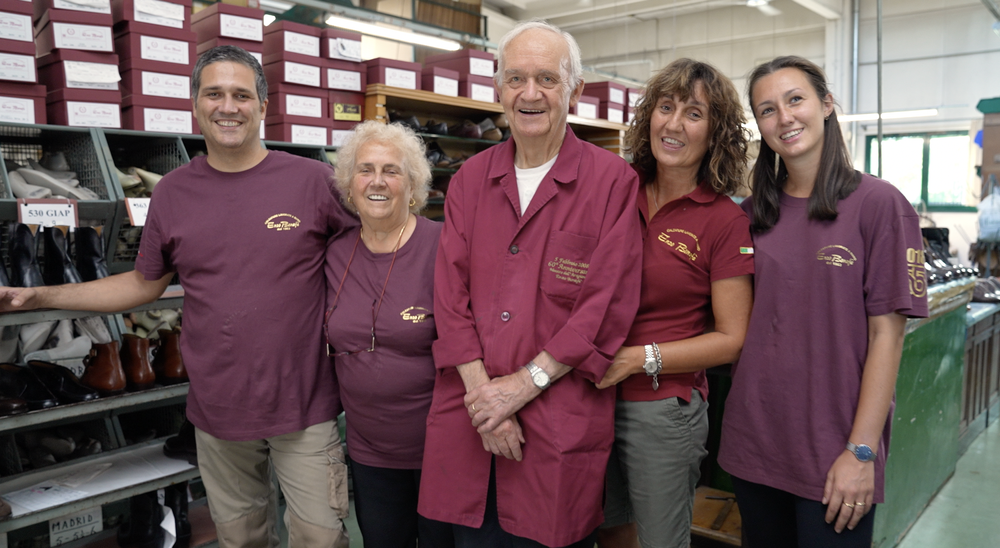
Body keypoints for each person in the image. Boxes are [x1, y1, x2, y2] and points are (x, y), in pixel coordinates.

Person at [0, 46, 355, 548]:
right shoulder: (171, 192)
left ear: (263, 105)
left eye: (241, 94)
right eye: (214, 94)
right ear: (195, 104)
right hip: (218, 410)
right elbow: (143, 283)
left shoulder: (315, 181)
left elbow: (371, 256)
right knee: (241, 540)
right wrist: (36, 298)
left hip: (307, 406)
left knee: (321, 539)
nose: (227, 106)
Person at [417, 19, 643, 548]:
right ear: (499, 90)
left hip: (555, 422)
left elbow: (604, 308)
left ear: (576, 90)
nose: (530, 93)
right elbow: (449, 300)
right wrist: (485, 401)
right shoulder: (470, 181)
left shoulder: (613, 183)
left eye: (547, 78)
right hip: (473, 421)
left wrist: (520, 389)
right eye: (515, 78)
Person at [717, 56, 929, 547]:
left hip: (836, 456)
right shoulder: (751, 215)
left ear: (827, 104)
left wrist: (861, 453)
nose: (784, 117)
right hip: (755, 446)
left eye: (796, 100)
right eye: (767, 110)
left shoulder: (880, 205)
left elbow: (887, 337)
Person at [594, 59, 754, 548]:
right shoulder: (616, 190)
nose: (674, 124)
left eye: (694, 114)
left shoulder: (725, 220)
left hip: (662, 408)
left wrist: (639, 359)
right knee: (608, 534)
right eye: (666, 107)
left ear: (716, 132)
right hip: (591, 395)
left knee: (661, 541)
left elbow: (732, 339)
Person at [325, 120, 453, 548]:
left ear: (413, 185)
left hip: (441, 451)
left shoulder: (444, 245)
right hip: (368, 452)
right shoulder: (335, 252)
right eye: (365, 169)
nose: (377, 181)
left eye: (391, 171)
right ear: (349, 183)